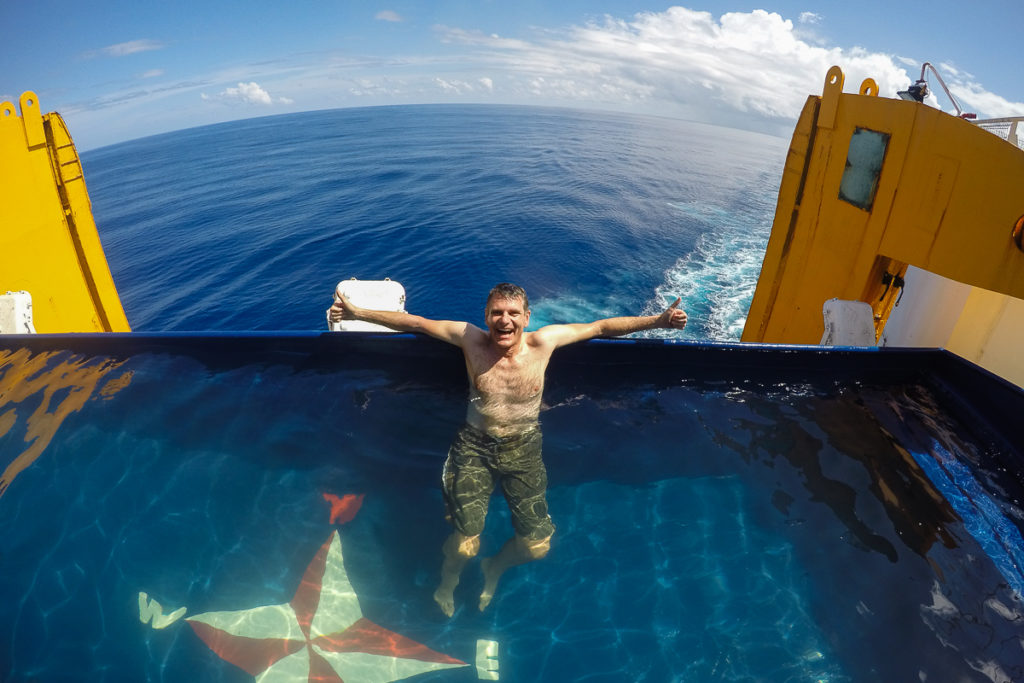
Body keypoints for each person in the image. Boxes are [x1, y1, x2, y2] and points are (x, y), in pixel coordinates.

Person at [327, 283, 687, 616]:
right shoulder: (470, 340)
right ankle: (447, 582)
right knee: (465, 540)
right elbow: (418, 323)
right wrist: (357, 313)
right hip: (474, 446)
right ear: (486, 316)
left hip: (524, 447)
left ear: (526, 318)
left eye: (513, 313)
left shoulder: (544, 343)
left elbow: (601, 328)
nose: (505, 320)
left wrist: (659, 321)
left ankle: (494, 566)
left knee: (537, 546)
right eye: (497, 312)